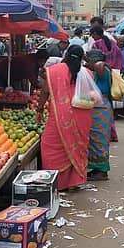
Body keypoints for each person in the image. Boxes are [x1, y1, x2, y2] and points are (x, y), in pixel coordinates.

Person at [37, 45, 94, 191]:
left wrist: (40, 109)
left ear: (67, 54)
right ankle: (73, 183)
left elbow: (45, 91)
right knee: (77, 146)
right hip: (82, 117)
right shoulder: (87, 73)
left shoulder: (55, 70)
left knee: (49, 146)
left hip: (60, 117)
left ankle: (57, 182)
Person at [84, 49, 113, 181]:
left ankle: (102, 171)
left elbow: (99, 65)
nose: (86, 63)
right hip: (96, 107)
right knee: (94, 139)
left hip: (101, 108)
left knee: (99, 139)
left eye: (88, 60)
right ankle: (96, 168)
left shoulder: (101, 69)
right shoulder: (96, 71)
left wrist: (98, 63)